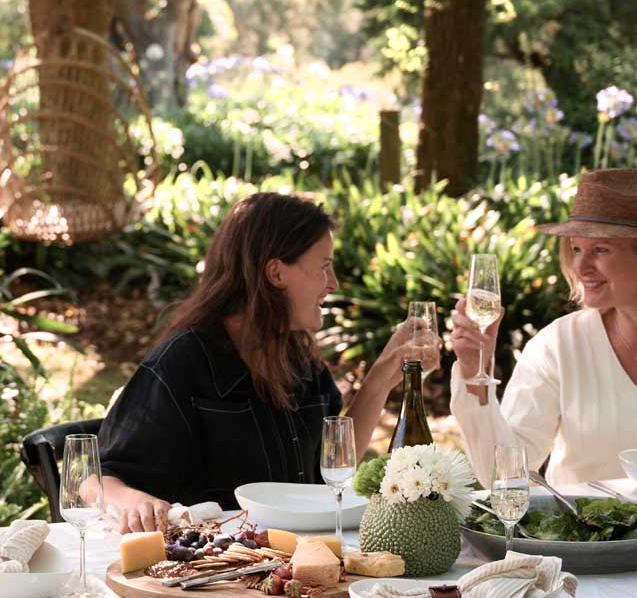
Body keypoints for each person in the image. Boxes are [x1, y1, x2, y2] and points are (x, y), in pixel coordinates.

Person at [98, 192, 439, 533]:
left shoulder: (299, 357)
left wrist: (381, 379)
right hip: (213, 568)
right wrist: (134, 502)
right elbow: (97, 478)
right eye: (324, 266)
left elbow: (334, 462)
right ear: (276, 273)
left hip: (294, 560)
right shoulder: (183, 361)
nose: (333, 283)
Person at [450, 168, 637, 486]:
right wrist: (474, 373)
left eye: (601, 249)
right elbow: (503, 475)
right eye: (576, 249)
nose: (580, 267)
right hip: (583, 535)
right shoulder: (559, 345)